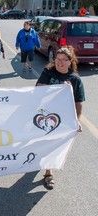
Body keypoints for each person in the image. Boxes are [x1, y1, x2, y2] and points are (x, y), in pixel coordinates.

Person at [36, 46, 85, 190]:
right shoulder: (48, 72)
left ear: (70, 62)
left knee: (53, 146)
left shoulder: (75, 80)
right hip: (44, 116)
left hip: (62, 120)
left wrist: (77, 120)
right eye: (58, 59)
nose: (60, 62)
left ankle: (48, 173)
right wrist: (59, 90)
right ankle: (42, 165)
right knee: (44, 143)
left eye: (64, 60)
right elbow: (38, 88)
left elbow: (79, 102)